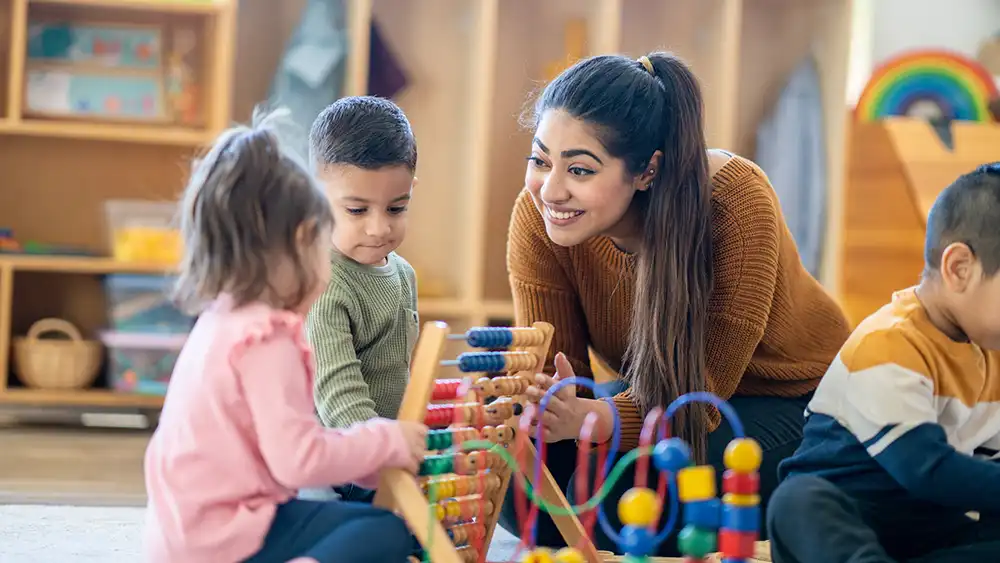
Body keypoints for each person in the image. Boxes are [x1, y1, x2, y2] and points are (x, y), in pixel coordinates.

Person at [501, 52, 850, 555]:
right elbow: (563, 379)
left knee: (647, 489)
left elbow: (698, 402)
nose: (550, 189)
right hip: (661, 390)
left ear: (647, 171)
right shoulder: (540, 216)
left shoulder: (733, 201)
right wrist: (546, 409)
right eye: (540, 159)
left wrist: (595, 418)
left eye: (579, 169)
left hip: (794, 402)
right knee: (524, 480)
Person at [142, 111, 426, 563]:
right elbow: (300, 461)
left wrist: (377, 464)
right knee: (385, 537)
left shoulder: (226, 316)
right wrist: (386, 442)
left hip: (196, 529)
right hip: (222, 539)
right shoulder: (265, 340)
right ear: (297, 245)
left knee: (379, 527)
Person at [767, 163, 1000, 563]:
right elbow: (925, 468)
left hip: (925, 525)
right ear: (959, 269)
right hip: (854, 512)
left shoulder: (990, 354)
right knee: (797, 502)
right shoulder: (889, 342)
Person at [303, 96, 420, 504]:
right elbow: (338, 393)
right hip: (340, 464)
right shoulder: (324, 284)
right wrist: (382, 455)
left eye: (396, 208)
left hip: (382, 454)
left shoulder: (403, 275)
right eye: (356, 210)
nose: (378, 228)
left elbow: (401, 373)